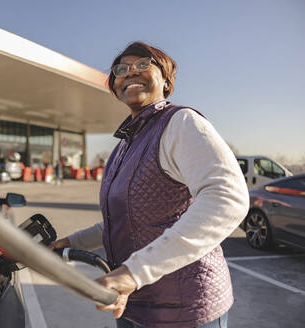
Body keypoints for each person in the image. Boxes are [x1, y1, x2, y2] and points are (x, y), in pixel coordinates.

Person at [50, 42, 249, 328]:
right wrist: (71, 243)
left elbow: (227, 199)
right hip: (134, 304)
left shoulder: (180, 123)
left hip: (185, 310)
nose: (130, 73)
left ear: (166, 80)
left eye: (143, 65)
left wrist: (133, 272)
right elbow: (127, 221)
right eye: (121, 70)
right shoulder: (123, 147)